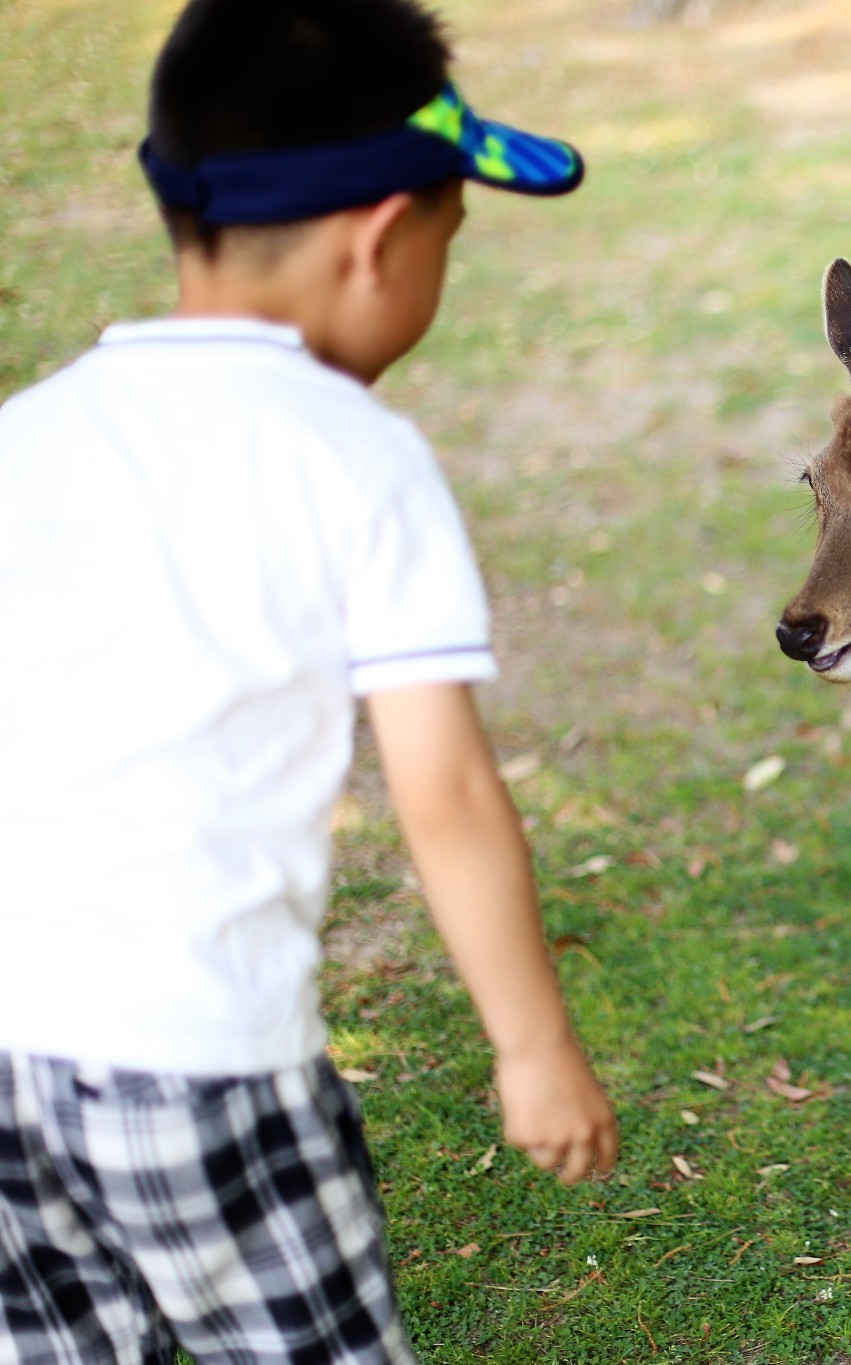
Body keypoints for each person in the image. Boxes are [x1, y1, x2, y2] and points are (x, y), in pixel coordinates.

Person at [0, 1, 618, 1360]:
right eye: (448, 246)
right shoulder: (355, 457)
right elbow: (444, 793)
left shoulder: (25, 437)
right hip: (202, 1062)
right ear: (381, 239)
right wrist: (530, 1046)